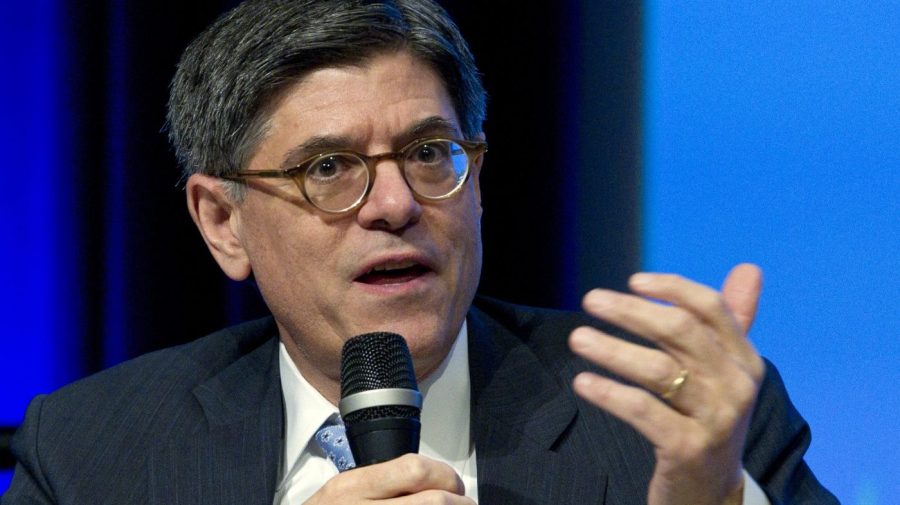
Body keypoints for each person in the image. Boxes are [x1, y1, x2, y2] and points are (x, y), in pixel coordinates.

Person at [2, 1, 837, 504]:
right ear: (224, 221)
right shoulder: (93, 452)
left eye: (430, 152)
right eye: (329, 168)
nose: (396, 204)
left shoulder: (678, 426)